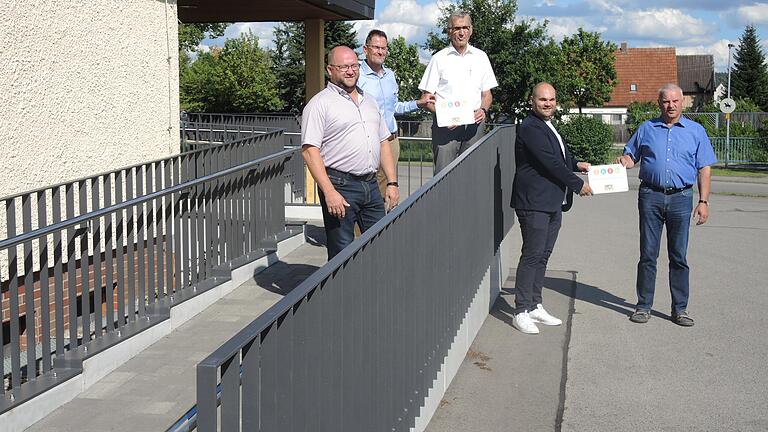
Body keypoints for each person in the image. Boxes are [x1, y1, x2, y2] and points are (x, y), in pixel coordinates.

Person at [617, 83, 716, 327]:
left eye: (674, 101)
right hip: (650, 196)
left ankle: (679, 309)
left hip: (682, 198)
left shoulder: (696, 131)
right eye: (665, 101)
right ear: (659, 103)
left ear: (683, 102)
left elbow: (704, 168)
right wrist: (626, 160)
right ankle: (643, 306)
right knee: (648, 254)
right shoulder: (646, 128)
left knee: (678, 256)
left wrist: (703, 201)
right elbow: (631, 155)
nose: (670, 106)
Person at [301, 46, 400, 259]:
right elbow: (310, 151)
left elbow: (384, 142)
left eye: (354, 65)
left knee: (379, 246)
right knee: (342, 253)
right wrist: (329, 192)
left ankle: (371, 291)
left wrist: (392, 183)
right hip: (340, 186)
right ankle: (338, 293)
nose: (350, 71)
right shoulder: (320, 104)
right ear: (330, 70)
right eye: (343, 66)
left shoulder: (369, 102)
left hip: (371, 185)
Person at [511, 82, 593, 335]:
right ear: (532, 101)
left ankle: (535, 304)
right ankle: (521, 310)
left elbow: (559, 157)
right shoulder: (530, 127)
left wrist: (576, 164)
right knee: (532, 254)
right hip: (534, 202)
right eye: (543, 99)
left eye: (552, 99)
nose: (548, 104)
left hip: (551, 202)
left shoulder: (547, 125)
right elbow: (549, 163)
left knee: (543, 255)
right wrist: (578, 185)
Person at [357, 29, 434, 209]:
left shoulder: (390, 75)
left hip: (391, 141)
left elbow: (394, 108)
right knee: (366, 193)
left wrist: (418, 103)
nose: (380, 52)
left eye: (384, 48)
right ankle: (361, 236)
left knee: (387, 192)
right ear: (365, 49)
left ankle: (380, 233)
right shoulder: (357, 76)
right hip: (368, 142)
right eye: (376, 47)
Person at [418, 10, 498, 173]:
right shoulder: (438, 59)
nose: (461, 32)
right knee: (443, 177)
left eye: (465, 28)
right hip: (446, 129)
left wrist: (483, 110)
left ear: (471, 30)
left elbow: (487, 94)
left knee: (471, 176)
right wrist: (444, 116)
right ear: (449, 32)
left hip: (474, 127)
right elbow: (426, 98)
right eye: (456, 28)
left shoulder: (481, 57)